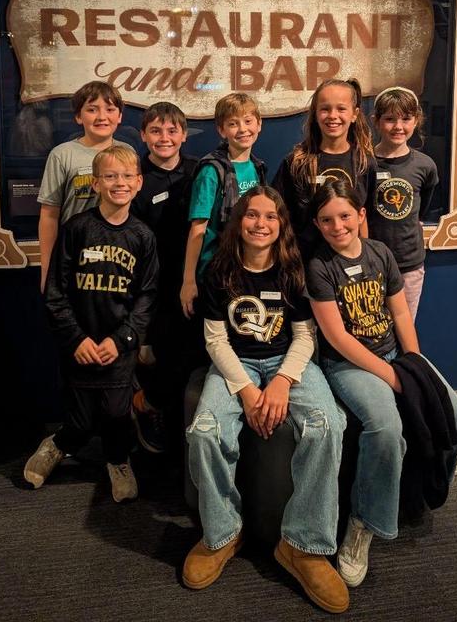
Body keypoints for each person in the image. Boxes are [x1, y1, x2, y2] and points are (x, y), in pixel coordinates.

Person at [183, 186, 349, 615]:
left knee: (327, 425)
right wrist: (247, 390)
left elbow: (305, 337)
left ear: (281, 225)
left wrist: (281, 383)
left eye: (271, 216)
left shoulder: (293, 269)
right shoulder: (219, 271)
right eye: (252, 215)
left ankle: (303, 546)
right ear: (239, 221)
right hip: (235, 363)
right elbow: (216, 341)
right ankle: (221, 534)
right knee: (204, 433)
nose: (261, 224)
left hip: (285, 360)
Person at [306, 182, 457, 589]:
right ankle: (363, 523)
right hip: (350, 365)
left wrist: (414, 366)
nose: (337, 226)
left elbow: (400, 314)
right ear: (317, 224)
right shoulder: (319, 266)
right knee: (386, 428)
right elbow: (337, 338)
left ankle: (434, 472)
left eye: (345, 216)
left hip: (395, 354)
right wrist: (391, 376)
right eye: (327, 220)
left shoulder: (380, 253)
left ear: (361, 215)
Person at [24, 146, 159, 502]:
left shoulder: (143, 236)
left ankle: (118, 459)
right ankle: (57, 444)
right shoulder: (76, 229)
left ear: (139, 182)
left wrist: (123, 339)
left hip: (118, 346)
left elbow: (147, 297)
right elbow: (56, 293)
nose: (119, 183)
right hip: (80, 343)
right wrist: (75, 339)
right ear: (96, 183)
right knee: (82, 420)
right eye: (110, 176)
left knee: (116, 413)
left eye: (127, 176)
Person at [130, 102, 203, 454]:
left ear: (184, 135)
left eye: (172, 131)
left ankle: (168, 418)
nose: (164, 138)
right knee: (157, 355)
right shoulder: (135, 176)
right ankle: (148, 405)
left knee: (195, 352)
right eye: (156, 131)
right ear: (143, 135)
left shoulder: (199, 170)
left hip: (192, 278)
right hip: (151, 283)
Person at [37, 81, 130, 292]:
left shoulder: (128, 152)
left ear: (119, 116)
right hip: (74, 252)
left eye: (110, 109)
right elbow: (49, 214)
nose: (102, 117)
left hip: (117, 253)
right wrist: (47, 269)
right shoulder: (62, 155)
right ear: (79, 116)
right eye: (92, 109)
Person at [180, 92, 266, 319]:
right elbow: (198, 228)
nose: (242, 129)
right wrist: (188, 281)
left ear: (259, 124)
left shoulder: (258, 167)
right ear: (221, 130)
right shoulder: (211, 170)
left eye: (248, 121)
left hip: (246, 267)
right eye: (233, 124)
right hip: (215, 270)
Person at [272, 78, 375, 261]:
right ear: (315, 114)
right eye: (325, 109)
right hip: (304, 261)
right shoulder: (296, 163)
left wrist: (365, 259)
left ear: (354, 114)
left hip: (347, 264)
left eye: (341, 109)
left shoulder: (365, 162)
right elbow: (279, 215)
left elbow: (365, 214)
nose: (333, 115)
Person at [368, 87, 438, 321]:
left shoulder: (425, 165)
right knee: (371, 326)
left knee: (405, 324)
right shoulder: (365, 163)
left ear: (416, 120)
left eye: (406, 119)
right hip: (372, 262)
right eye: (390, 119)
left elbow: (423, 206)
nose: (398, 126)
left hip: (409, 263)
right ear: (376, 121)